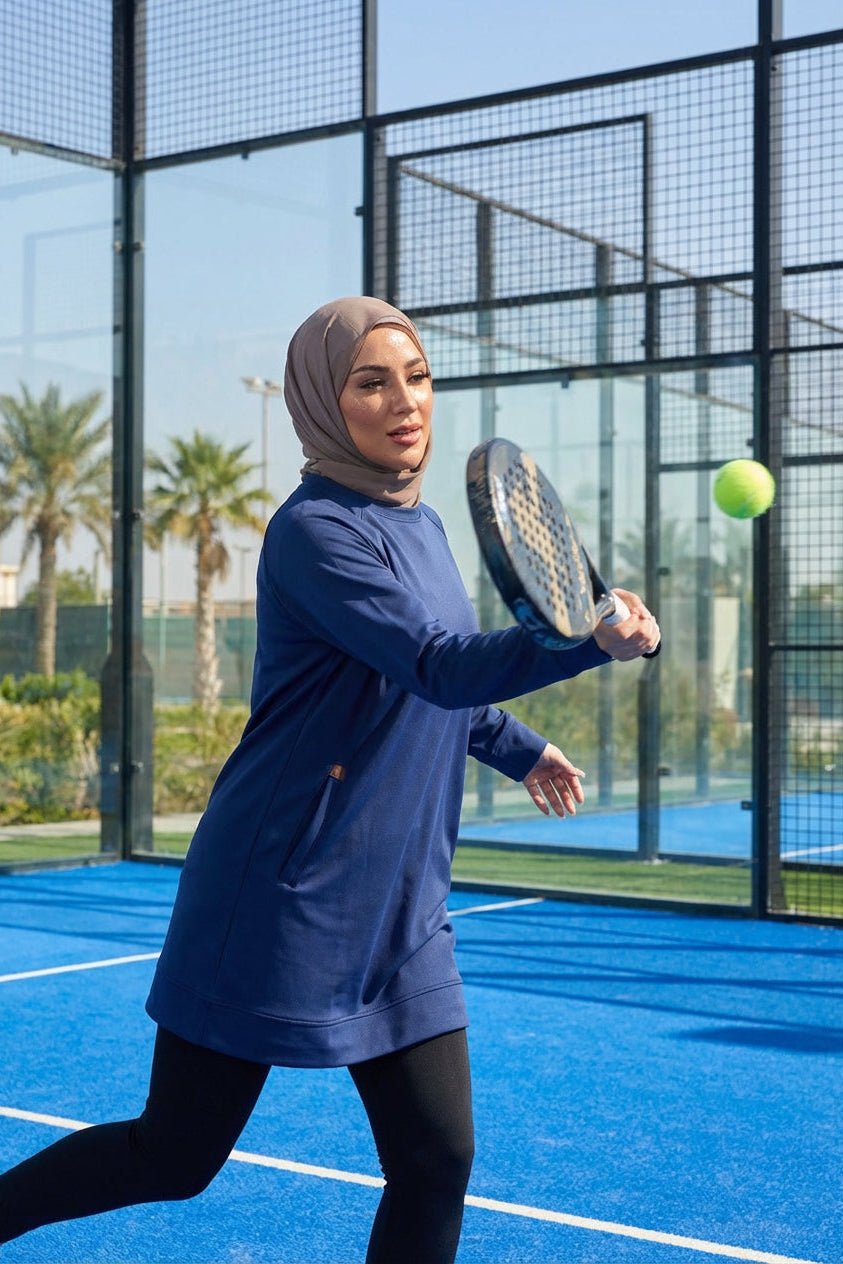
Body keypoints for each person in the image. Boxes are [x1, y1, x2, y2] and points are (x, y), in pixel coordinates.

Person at [0, 296, 659, 1263]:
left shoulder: (424, 527)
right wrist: (585, 645)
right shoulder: (314, 532)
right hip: (278, 897)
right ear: (323, 401)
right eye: (370, 382)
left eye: (417, 377)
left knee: (437, 1159)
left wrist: (520, 747)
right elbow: (434, 660)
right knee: (174, 1158)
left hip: (402, 910)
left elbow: (435, 684)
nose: (404, 402)